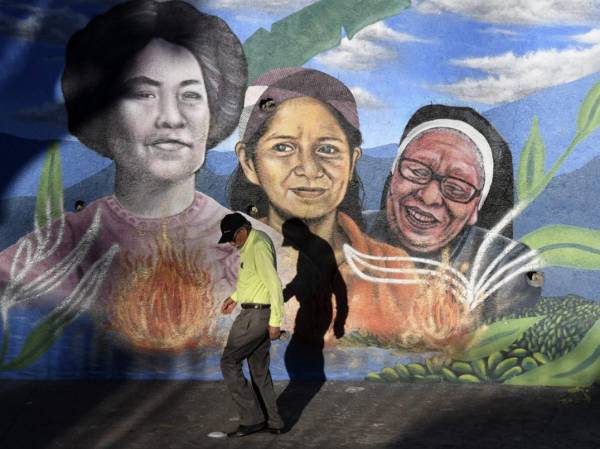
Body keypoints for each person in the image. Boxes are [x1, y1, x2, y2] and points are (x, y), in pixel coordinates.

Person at [0, 0, 247, 353]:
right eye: (143, 93)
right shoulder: (42, 257)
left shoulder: (264, 250)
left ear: (214, 111)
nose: (171, 118)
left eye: (191, 95)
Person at [228, 67, 434, 348]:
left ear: (352, 162)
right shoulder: (221, 262)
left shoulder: (392, 271)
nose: (309, 169)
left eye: (328, 149)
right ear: (249, 162)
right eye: (283, 148)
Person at [370, 104, 541, 320]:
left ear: (475, 208)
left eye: (456, 188)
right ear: (394, 175)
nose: (429, 197)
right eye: (417, 171)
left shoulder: (507, 268)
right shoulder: (340, 236)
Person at [218, 212, 284, 437]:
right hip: (255, 312)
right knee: (259, 370)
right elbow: (254, 280)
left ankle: (252, 418)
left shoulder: (258, 245)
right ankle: (273, 421)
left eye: (231, 237)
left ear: (242, 231)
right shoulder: (251, 245)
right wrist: (235, 297)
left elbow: (273, 284)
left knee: (229, 361)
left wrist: (275, 322)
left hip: (254, 317)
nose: (230, 242)